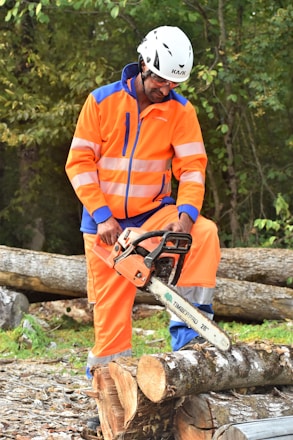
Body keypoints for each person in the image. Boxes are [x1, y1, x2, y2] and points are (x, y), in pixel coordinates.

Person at [65, 25, 220, 425]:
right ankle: (107, 400)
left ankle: (193, 341)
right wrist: (102, 217)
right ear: (144, 65)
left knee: (204, 233)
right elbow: (79, 164)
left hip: (154, 215)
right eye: (160, 81)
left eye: (172, 84)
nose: (164, 90)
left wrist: (184, 219)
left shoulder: (181, 112)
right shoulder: (101, 103)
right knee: (111, 317)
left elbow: (192, 170)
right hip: (106, 226)